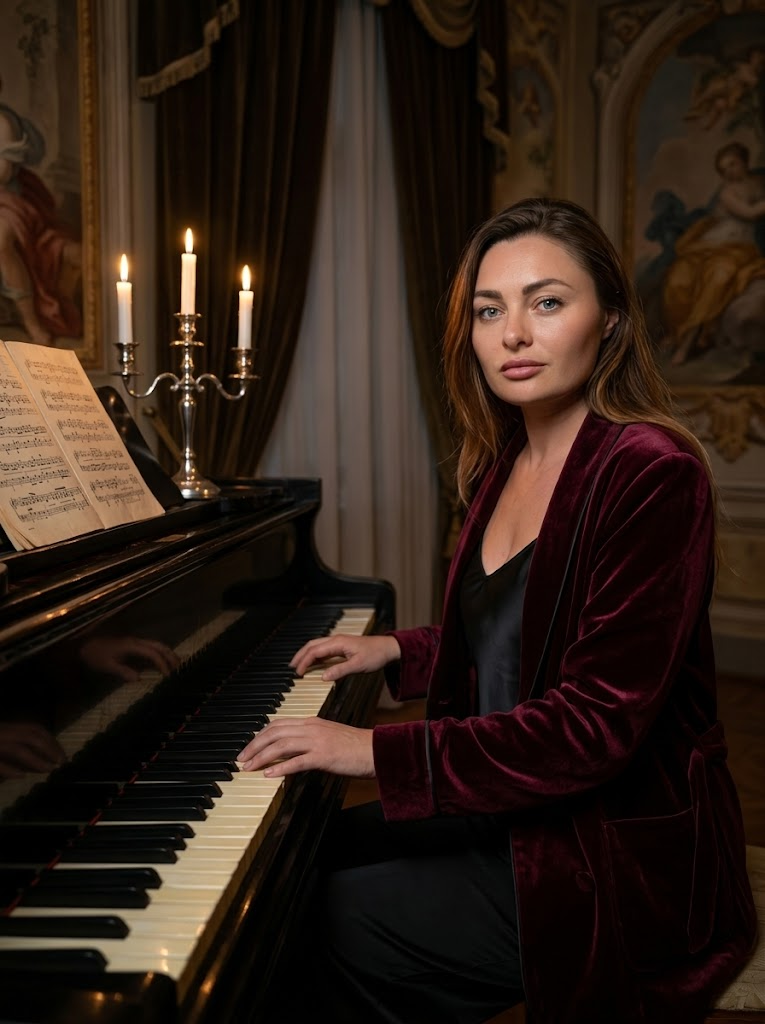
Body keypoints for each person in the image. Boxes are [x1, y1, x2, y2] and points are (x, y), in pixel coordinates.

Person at [237, 197, 757, 1024]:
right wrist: (398, 656)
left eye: (546, 301)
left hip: (609, 853)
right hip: (511, 804)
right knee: (281, 867)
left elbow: (593, 724)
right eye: (489, 310)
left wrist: (372, 748)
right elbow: (526, 635)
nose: (512, 332)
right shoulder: (501, 462)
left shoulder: (651, 473)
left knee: (324, 921)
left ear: (610, 322)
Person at [662, 141, 765, 366]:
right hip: (709, 245)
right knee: (679, 278)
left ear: (744, 161)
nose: (729, 171)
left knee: (719, 277)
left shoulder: (759, 183)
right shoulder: (728, 192)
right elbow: (750, 213)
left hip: (738, 249)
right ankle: (678, 332)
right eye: (724, 168)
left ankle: (688, 341)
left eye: (732, 164)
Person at [0, 93, 83, 345]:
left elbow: (3, 171)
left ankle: (32, 324)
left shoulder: (3, 122)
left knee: (1, 241)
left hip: (7, 199)